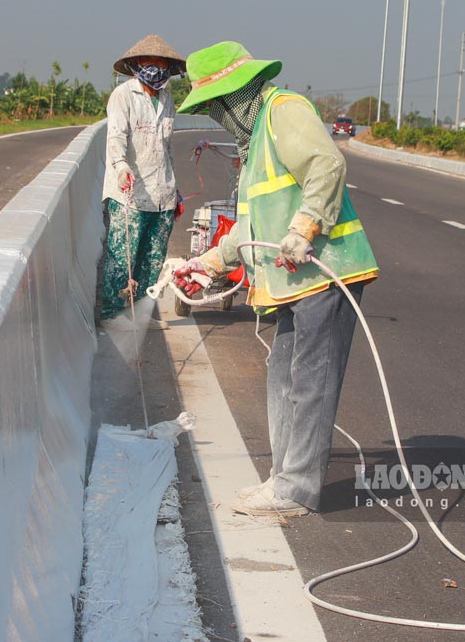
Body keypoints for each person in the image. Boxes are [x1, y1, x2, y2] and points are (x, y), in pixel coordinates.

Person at [173, 41, 379, 517]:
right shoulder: (254, 144)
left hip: (329, 271)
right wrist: (206, 264)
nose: (217, 118)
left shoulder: (284, 111)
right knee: (282, 377)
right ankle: (282, 479)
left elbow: (326, 165)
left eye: (217, 106)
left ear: (237, 94)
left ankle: (295, 491)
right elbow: (251, 228)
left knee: (310, 382)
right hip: (292, 282)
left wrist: (304, 227)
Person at [98, 35, 187, 322]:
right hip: (130, 192)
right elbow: (116, 137)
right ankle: (113, 312)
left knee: (153, 258)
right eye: (151, 63)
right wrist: (122, 167)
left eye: (163, 65)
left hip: (162, 194)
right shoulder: (123, 96)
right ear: (137, 65)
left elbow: (167, 149)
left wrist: (176, 191)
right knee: (121, 258)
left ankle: (142, 313)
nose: (157, 69)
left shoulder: (168, 98)